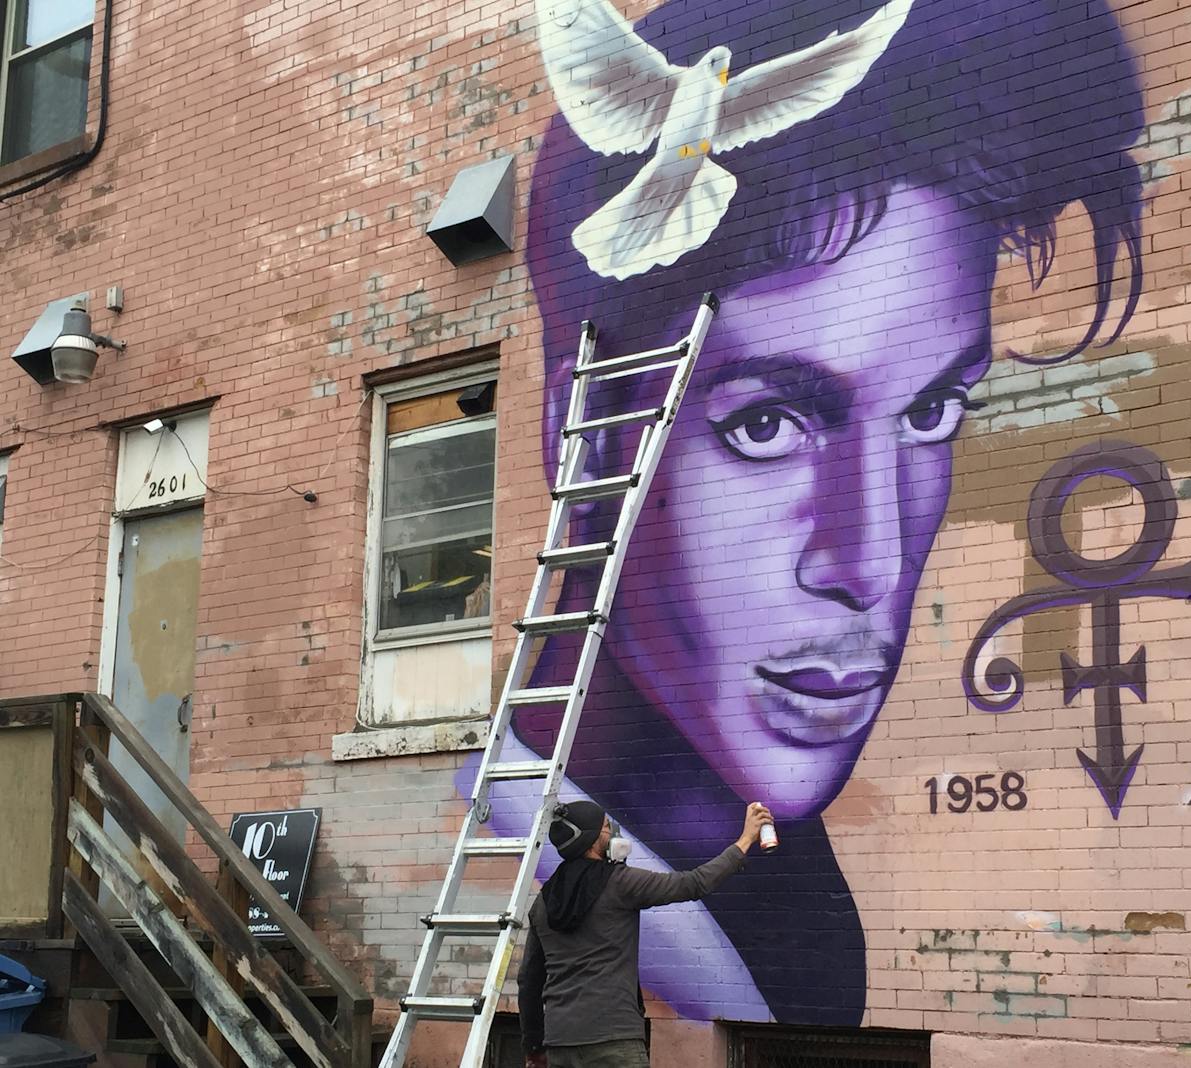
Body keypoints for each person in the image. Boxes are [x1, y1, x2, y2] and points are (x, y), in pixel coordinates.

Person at [460, 0, 1148, 1027]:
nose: (864, 559)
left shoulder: (795, 895)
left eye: (930, 410)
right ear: (586, 428)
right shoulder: (580, 877)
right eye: (768, 424)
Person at [519, 800, 774, 1068]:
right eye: (606, 827)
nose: (612, 832)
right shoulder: (620, 882)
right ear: (593, 841)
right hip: (614, 1039)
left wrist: (534, 1046)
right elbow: (693, 883)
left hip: (560, 1042)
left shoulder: (542, 902)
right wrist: (745, 840)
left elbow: (529, 980)